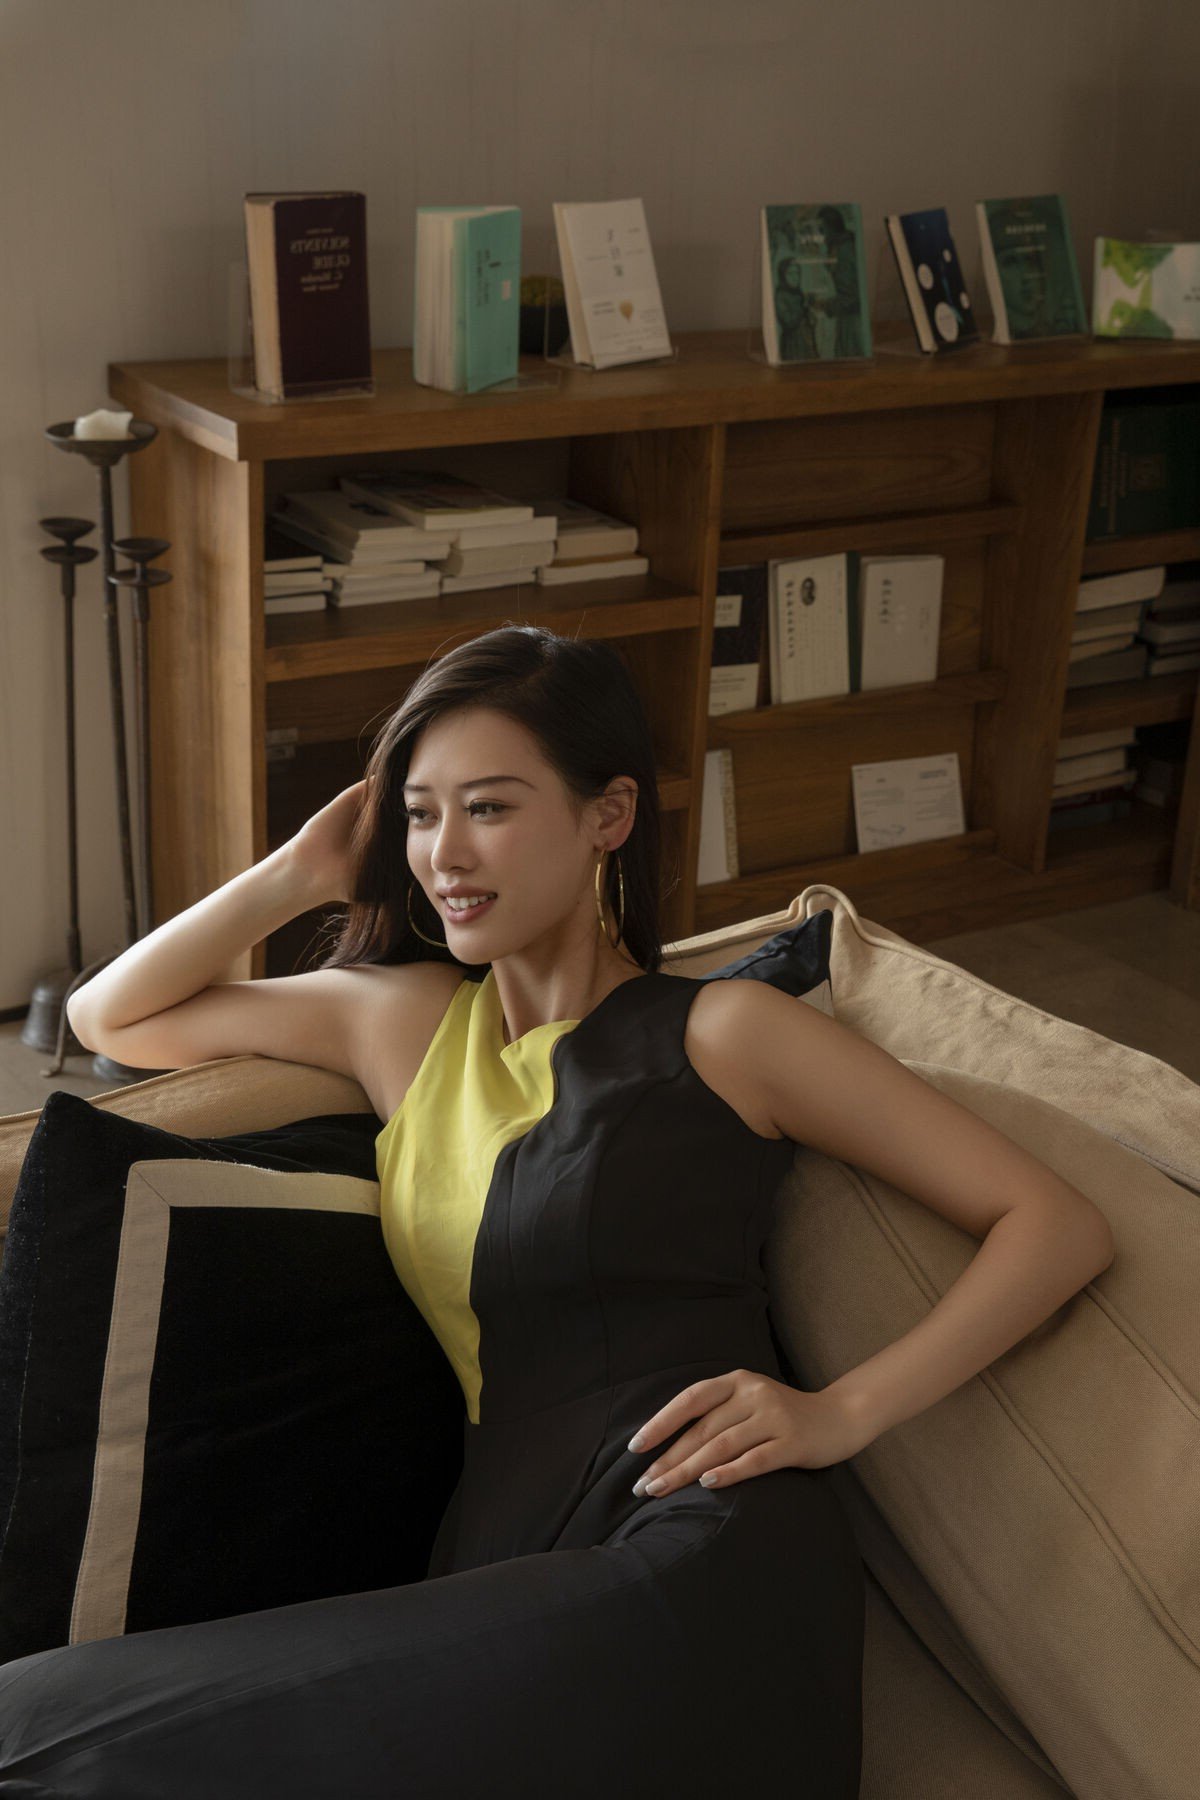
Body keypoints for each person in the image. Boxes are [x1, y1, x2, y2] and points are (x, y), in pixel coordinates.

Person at [0, 625, 1115, 1798]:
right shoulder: (403, 1024)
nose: (444, 854)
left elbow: (1053, 1222)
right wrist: (300, 871)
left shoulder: (724, 1033)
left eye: (489, 807)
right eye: (420, 815)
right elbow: (110, 1016)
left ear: (608, 816)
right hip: (505, 1552)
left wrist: (841, 1411)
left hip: (699, 1547)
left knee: (43, 1732)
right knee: (43, 1717)